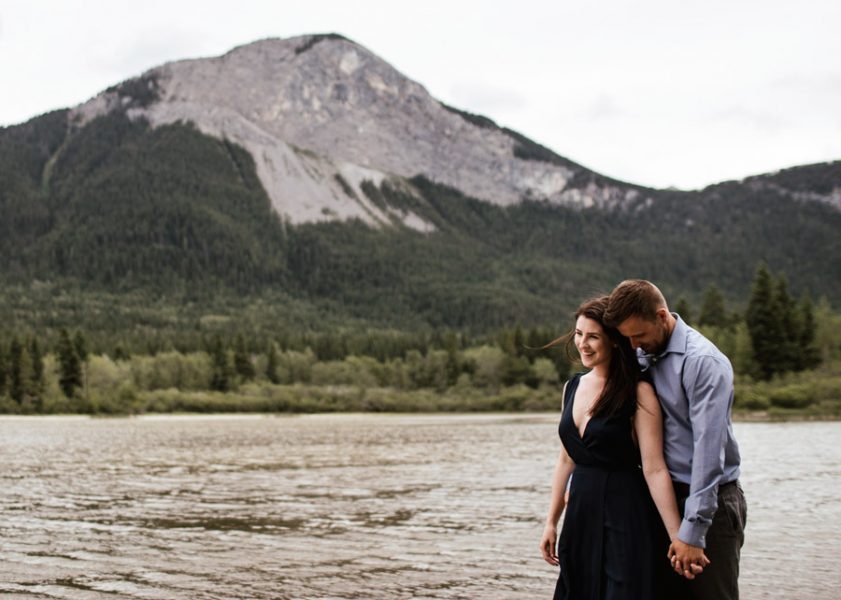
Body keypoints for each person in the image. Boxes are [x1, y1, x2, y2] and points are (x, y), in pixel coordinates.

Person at [539, 296, 699, 599]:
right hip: (580, 516)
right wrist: (550, 521)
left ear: (614, 341)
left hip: (625, 513)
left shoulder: (638, 392)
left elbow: (654, 468)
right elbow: (565, 460)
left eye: (593, 337)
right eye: (578, 334)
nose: (583, 344)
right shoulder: (571, 387)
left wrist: (679, 537)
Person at [604, 279, 746, 600]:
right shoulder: (643, 352)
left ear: (662, 315)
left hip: (711, 505)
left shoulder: (704, 363)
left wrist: (693, 532)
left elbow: (709, 456)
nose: (634, 345)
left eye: (639, 335)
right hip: (661, 502)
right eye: (627, 338)